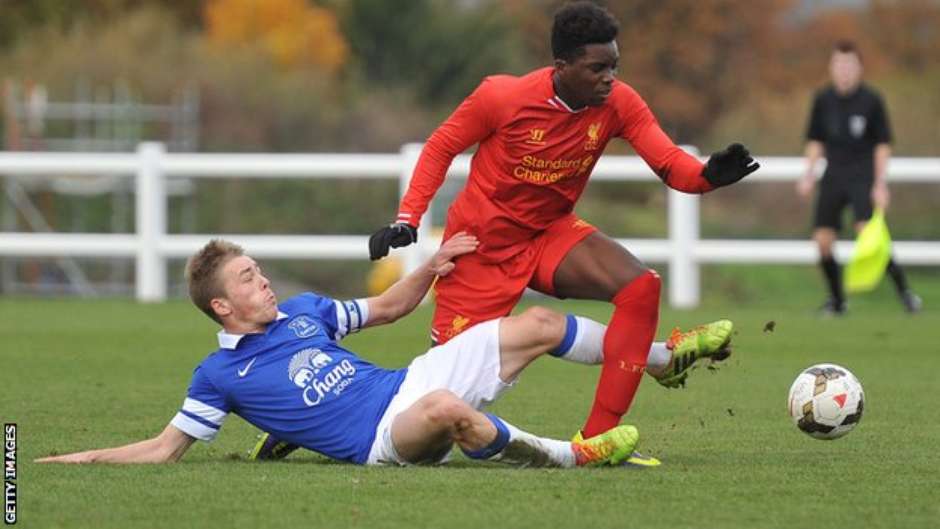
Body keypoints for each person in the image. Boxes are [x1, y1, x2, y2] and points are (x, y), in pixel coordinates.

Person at [366, 1, 757, 442]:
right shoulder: (503, 97)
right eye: (597, 68)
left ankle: (596, 442)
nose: (610, 77)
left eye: (615, 65)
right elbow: (439, 147)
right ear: (561, 65)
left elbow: (669, 163)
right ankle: (348, 415)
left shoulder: (618, 103)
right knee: (442, 398)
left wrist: (707, 177)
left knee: (640, 287)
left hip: (549, 233)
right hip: (480, 251)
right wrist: (407, 218)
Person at [37, 235, 722, 468]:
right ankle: (572, 456)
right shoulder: (219, 374)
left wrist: (433, 263)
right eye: (248, 277)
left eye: (257, 267)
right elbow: (163, 450)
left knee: (538, 321)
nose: (264, 278)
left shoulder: (304, 311)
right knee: (446, 407)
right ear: (222, 306)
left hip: (406, 379)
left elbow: (391, 307)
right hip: (384, 437)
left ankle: (660, 359)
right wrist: (61, 460)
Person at [797, 40, 921, 316]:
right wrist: (808, 175)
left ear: (859, 68)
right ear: (831, 67)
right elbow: (816, 141)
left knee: (870, 237)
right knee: (823, 240)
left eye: (849, 65)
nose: (843, 70)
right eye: (838, 64)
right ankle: (838, 301)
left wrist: (880, 184)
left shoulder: (871, 100)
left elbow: (883, 145)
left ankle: (906, 293)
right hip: (833, 176)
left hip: (862, 177)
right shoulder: (823, 99)